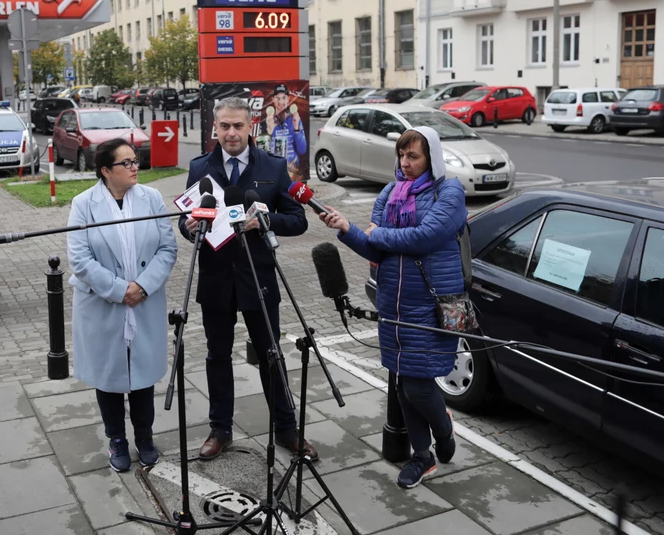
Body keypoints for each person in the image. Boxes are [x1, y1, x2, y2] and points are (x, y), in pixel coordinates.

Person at [319, 126, 463, 489]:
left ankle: (443, 432)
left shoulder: (449, 191)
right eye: (402, 155)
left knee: (417, 387)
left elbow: (425, 236)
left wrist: (376, 233)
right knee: (402, 384)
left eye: (413, 156)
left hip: (430, 305)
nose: (405, 162)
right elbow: (374, 250)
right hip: (393, 303)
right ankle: (423, 456)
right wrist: (348, 228)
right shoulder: (390, 193)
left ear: (432, 157)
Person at [180, 96, 315, 460]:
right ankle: (220, 429)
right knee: (216, 356)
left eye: (238, 126)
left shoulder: (272, 166)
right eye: (224, 126)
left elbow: (298, 220)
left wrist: (264, 220)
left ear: (250, 126)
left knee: (272, 355)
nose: (231, 133)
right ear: (215, 128)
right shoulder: (200, 168)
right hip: (216, 279)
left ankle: (287, 429)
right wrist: (189, 225)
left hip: (259, 279)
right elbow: (186, 220)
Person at [67, 138, 178, 472]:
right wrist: (119, 290)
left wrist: (142, 287)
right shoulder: (83, 204)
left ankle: (144, 438)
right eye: (126, 163)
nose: (134, 167)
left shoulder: (152, 198)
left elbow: (167, 248)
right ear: (105, 170)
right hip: (103, 304)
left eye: (135, 161)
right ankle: (117, 439)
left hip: (144, 301)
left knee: (142, 374)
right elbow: (80, 258)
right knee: (110, 376)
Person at [264, 84, 306, 176]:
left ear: (288, 99)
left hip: (292, 170)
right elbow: (262, 152)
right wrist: (269, 132)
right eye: (277, 98)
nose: (281, 101)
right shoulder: (266, 120)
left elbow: (302, 150)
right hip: (273, 170)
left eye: (284, 98)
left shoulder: (294, 118)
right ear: (272, 100)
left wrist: (296, 128)